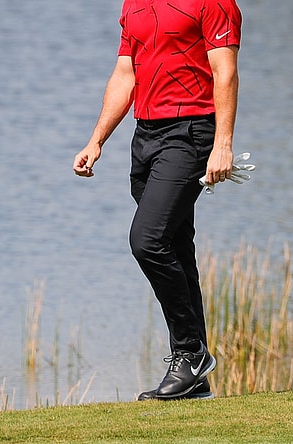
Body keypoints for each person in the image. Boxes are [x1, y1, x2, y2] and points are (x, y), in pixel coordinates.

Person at [72, 0, 242, 400]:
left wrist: (223, 144)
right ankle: (194, 376)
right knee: (176, 248)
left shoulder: (213, 2)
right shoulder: (134, 4)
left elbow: (226, 72)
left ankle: (190, 352)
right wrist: (96, 140)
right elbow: (124, 74)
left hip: (190, 133)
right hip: (144, 137)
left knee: (146, 240)